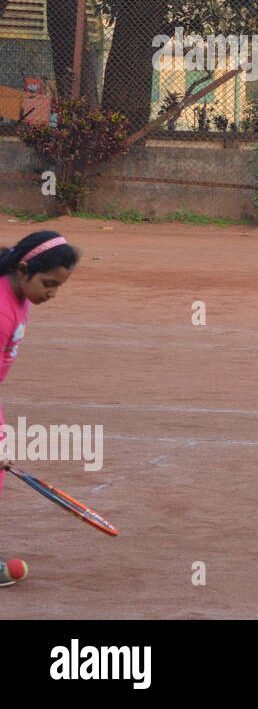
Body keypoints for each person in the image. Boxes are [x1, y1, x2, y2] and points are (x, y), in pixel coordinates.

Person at [0, 231, 79, 587]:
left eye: (58, 286)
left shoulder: (19, 298)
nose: (52, 294)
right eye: (48, 283)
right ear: (22, 269)